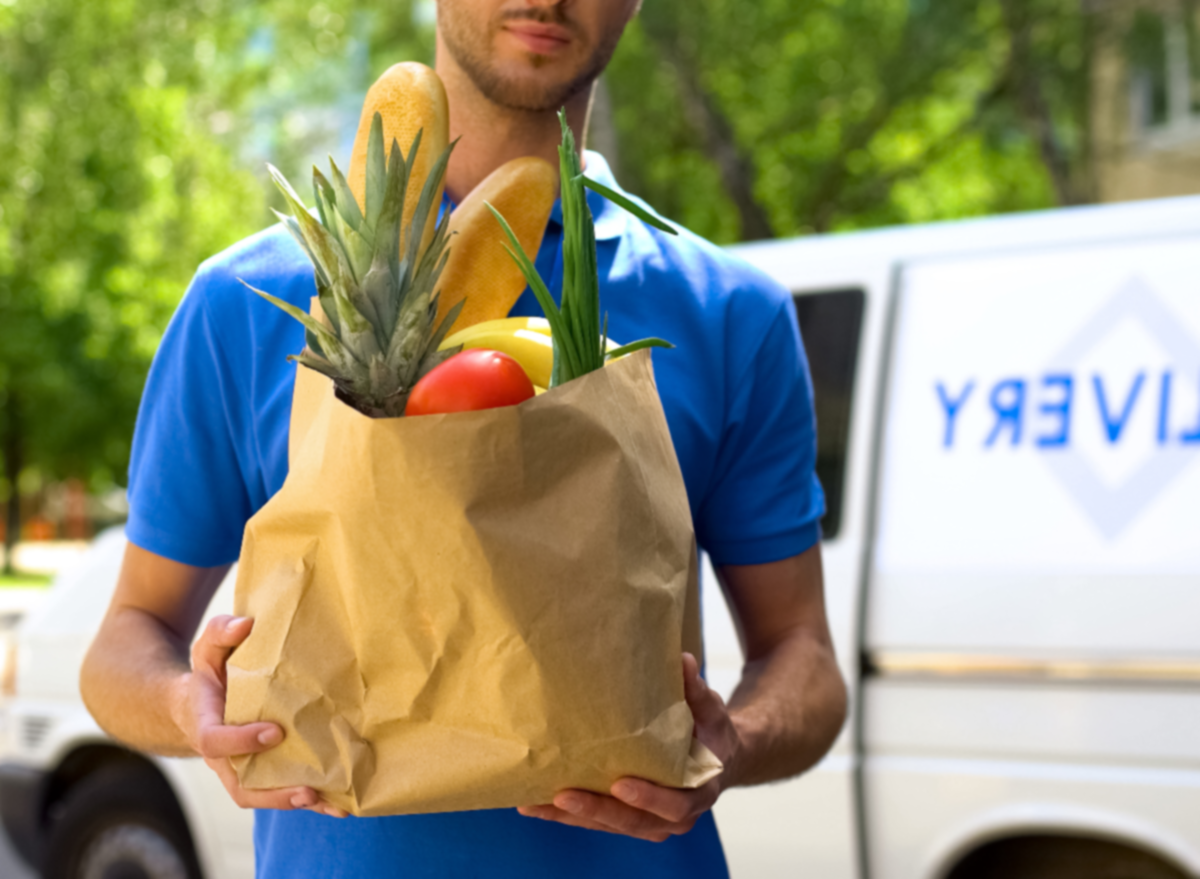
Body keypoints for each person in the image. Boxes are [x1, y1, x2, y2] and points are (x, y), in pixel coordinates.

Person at [80, 1, 848, 876]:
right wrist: (190, 708)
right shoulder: (249, 302)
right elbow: (124, 642)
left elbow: (806, 660)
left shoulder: (729, 313)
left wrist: (732, 743)